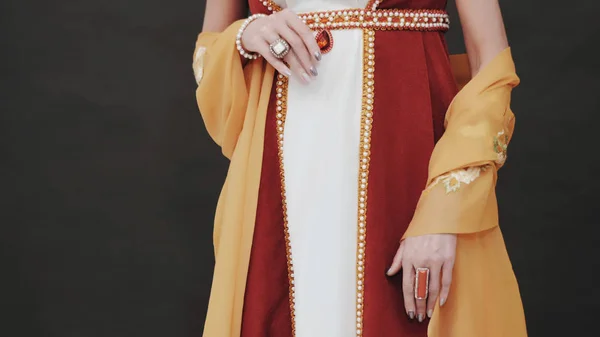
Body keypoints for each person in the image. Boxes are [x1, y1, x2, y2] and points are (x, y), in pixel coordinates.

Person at [193, 0, 527, 336]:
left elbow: (491, 67)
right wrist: (247, 35)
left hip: (405, 172)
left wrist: (444, 209)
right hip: (275, 178)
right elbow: (207, 56)